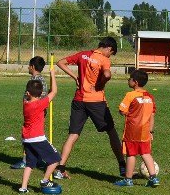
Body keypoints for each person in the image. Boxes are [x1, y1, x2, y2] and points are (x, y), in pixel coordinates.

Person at [54, 37, 126, 180]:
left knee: (73, 135)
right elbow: (107, 74)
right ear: (109, 49)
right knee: (111, 132)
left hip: (79, 100)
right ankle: (123, 166)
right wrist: (101, 83)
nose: (109, 56)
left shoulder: (82, 54)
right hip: (96, 101)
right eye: (111, 53)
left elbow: (60, 62)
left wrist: (75, 77)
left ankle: (59, 169)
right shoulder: (104, 59)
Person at [19, 66, 62, 194]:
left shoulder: (25, 103)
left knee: (30, 163)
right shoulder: (40, 104)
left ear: (27, 93)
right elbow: (54, 92)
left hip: (26, 138)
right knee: (55, 159)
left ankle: (23, 187)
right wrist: (53, 75)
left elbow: (31, 95)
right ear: (41, 93)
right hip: (37, 138)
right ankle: (44, 180)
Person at [114, 70, 160, 188]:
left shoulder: (130, 95)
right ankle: (154, 178)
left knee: (131, 154)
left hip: (132, 130)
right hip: (145, 131)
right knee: (146, 153)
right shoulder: (150, 96)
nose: (128, 80)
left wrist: (129, 113)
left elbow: (122, 110)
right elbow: (152, 115)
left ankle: (128, 179)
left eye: (130, 78)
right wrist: (150, 131)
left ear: (135, 82)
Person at [12, 57, 48, 170]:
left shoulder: (34, 82)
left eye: (29, 65)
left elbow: (33, 98)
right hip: (39, 113)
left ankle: (26, 161)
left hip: (33, 113)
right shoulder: (42, 80)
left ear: (32, 67)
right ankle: (38, 159)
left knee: (28, 136)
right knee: (37, 136)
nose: (28, 67)